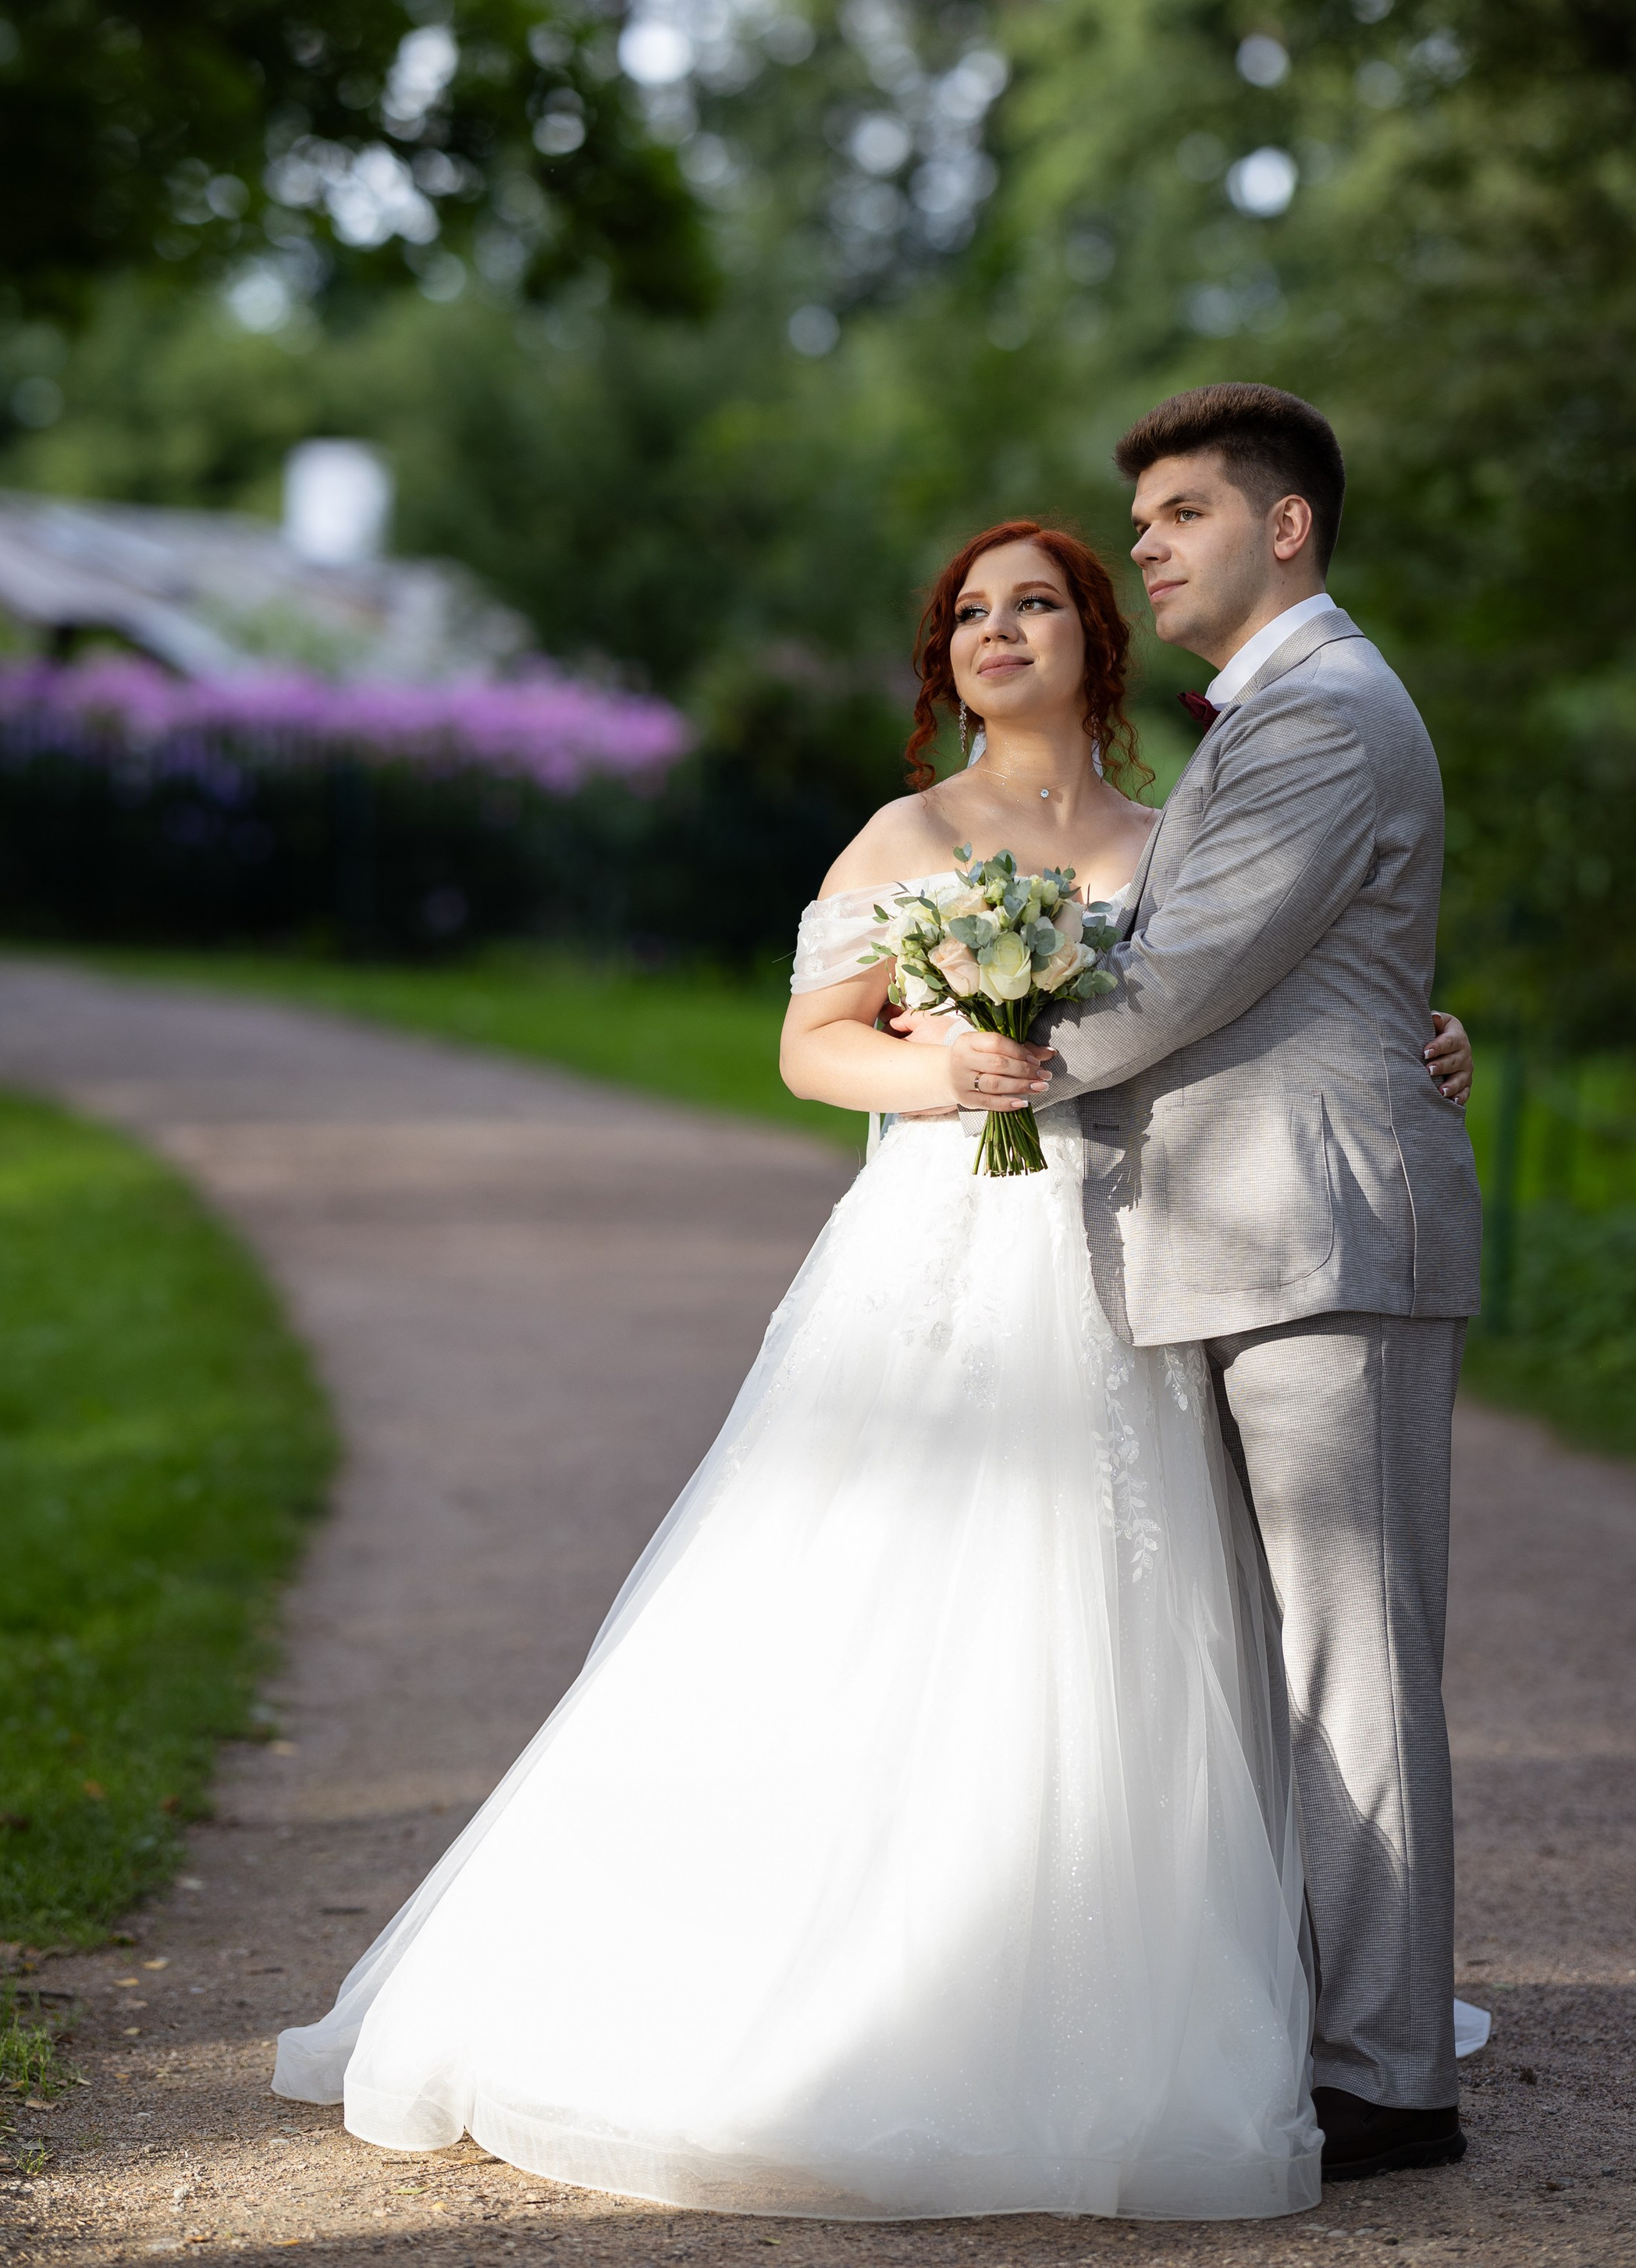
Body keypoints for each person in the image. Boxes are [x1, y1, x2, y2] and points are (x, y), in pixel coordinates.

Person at [272, 493, 1475, 2223]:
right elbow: (809, 1047)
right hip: (950, 1246)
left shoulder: (1173, 835)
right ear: (946, 662)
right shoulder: (906, 834)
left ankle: (1184, 1980)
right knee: (901, 1589)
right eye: (971, 614)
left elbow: (1255, 981)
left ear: (1092, 644)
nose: (999, 632)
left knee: (1149, 1609)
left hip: (1145, 1255)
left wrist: (1409, 1033)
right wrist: (947, 1076)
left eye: (1036, 605)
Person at [940, 382, 1481, 2186]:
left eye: (1180, 514)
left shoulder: (1321, 711)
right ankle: (1316, 2025)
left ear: (1284, 526)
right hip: (1244, 1237)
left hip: (1315, 1240)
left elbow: (1175, 979)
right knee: (1278, 1660)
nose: (1147, 547)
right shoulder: (1274, 713)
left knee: (1350, 1658)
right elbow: (1283, 963)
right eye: (1143, 521)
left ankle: (1388, 2077)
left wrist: (996, 1046)